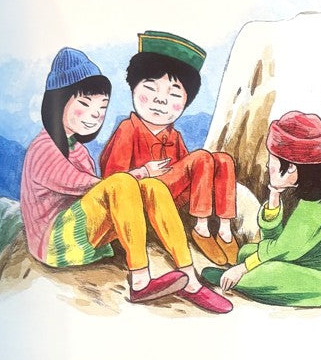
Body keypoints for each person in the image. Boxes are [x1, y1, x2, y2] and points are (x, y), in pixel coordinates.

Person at [20, 47, 231, 313]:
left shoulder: (79, 151)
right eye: (84, 104)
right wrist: (140, 173)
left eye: (101, 108)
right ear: (58, 101)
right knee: (123, 182)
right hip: (54, 241)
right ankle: (140, 280)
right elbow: (82, 183)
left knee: (152, 186)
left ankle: (190, 279)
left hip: (87, 236)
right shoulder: (43, 147)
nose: (95, 114)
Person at [202, 111, 321, 307]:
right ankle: (243, 272)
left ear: (291, 167)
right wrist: (274, 196)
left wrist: (241, 270)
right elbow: (273, 241)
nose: (268, 165)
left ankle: (233, 281)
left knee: (266, 273)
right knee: (246, 253)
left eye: (272, 160)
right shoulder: (314, 192)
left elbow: (284, 248)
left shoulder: (318, 203)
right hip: (313, 262)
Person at [99, 30, 238, 266]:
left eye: (173, 93)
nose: (161, 100)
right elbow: (112, 181)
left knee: (223, 159)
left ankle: (225, 230)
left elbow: (192, 177)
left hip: (171, 201)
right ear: (134, 89)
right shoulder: (128, 129)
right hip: (142, 200)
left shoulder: (174, 136)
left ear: (185, 102)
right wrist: (144, 172)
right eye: (150, 88)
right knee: (201, 157)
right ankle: (201, 228)